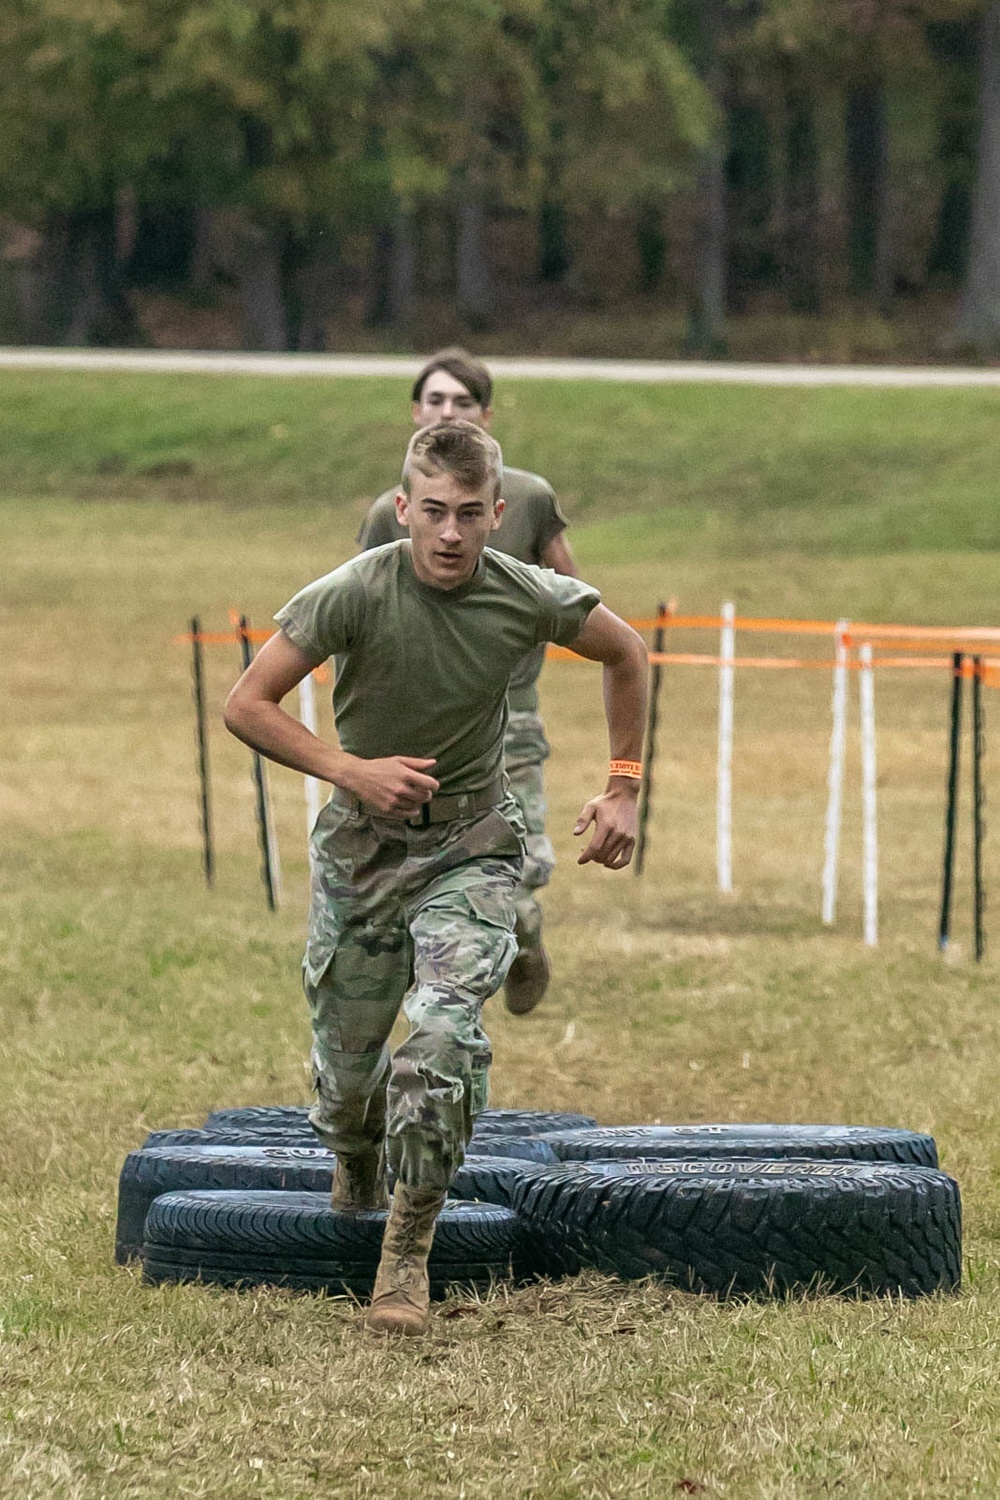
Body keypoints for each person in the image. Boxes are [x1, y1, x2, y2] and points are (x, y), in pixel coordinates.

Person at [225, 421, 648, 1338]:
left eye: (469, 514)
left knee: (442, 1040)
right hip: (362, 856)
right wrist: (349, 770)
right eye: (432, 513)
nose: (450, 534)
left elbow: (627, 651)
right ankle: (354, 1149)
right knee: (347, 1083)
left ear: (499, 515)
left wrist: (624, 786)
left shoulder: (524, 593)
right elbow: (246, 705)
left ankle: (405, 1258)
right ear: (401, 511)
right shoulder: (351, 593)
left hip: (472, 847)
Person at [357, 348, 576, 1016]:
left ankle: (520, 932)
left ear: (484, 414)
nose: (446, 412)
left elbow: (576, 594)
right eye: (434, 401)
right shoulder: (387, 514)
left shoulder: (531, 499)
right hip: (422, 728)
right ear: (415, 412)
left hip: (512, 717)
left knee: (523, 863)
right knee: (433, 868)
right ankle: (453, 971)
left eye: (460, 402)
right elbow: (359, 615)